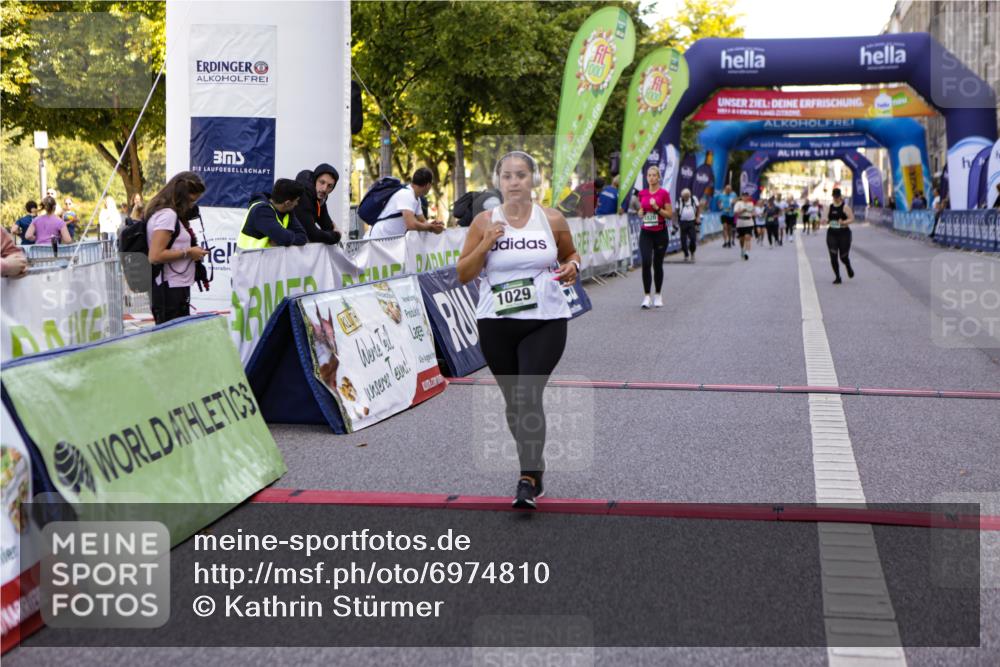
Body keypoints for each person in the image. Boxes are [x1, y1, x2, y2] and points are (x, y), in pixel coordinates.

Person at [455, 151, 581, 510]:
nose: (514, 182)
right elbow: (463, 273)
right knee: (515, 403)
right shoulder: (483, 221)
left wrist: (572, 266)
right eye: (507, 176)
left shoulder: (552, 219)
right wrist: (485, 243)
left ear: (533, 180)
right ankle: (535, 462)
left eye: (521, 175)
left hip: (545, 319)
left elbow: (571, 255)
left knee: (528, 394)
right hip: (496, 322)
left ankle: (527, 477)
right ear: (499, 181)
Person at [145, 172, 210, 323]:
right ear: (183, 197)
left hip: (174, 287)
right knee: (171, 341)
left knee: (173, 340)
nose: (192, 206)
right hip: (170, 289)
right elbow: (155, 255)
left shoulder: (165, 213)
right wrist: (189, 252)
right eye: (192, 201)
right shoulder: (168, 215)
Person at [367, 167, 443, 239]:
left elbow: (422, 221)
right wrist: (431, 227)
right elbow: (411, 224)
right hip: (381, 238)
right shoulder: (407, 195)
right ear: (428, 185)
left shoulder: (416, 198)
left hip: (389, 239)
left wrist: (433, 225)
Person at [636, 165, 673, 308]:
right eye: (649, 175)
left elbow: (669, 215)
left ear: (658, 177)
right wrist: (640, 213)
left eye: (654, 175)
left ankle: (658, 294)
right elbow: (642, 210)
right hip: (646, 232)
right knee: (646, 262)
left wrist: (657, 209)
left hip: (660, 233)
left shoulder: (664, 193)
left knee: (657, 264)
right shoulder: (643, 194)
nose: (651, 178)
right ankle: (646, 296)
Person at [237, 179, 309, 249]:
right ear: (287, 203)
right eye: (296, 201)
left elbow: (302, 237)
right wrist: (283, 239)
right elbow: (283, 238)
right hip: (247, 259)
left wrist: (282, 239)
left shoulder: (288, 211)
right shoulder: (261, 211)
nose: (297, 204)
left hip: (267, 259)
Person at [294, 163, 342, 244]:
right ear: (315, 180)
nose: (324, 189)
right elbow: (313, 234)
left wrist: (333, 232)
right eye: (322, 182)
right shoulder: (303, 197)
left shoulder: (319, 198)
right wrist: (336, 236)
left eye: (330, 186)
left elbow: (327, 226)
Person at [825, 188, 855, 285]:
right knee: (833, 256)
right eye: (834, 197)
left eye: (837, 197)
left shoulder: (845, 207)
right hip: (832, 233)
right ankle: (838, 277)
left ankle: (848, 266)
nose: (836, 199)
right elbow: (825, 218)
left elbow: (852, 219)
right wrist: (825, 221)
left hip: (844, 233)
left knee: (843, 257)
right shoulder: (829, 207)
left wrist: (844, 222)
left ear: (840, 196)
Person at [676, 188, 700, 262]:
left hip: (692, 222)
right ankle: (686, 254)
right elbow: (676, 211)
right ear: (682, 196)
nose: (686, 198)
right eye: (684, 197)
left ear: (689, 195)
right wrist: (676, 222)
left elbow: (698, 208)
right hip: (683, 222)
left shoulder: (694, 199)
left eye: (687, 196)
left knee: (693, 239)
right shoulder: (679, 201)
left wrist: (698, 217)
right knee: (683, 240)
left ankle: (692, 252)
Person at [733, 191, 755, 261]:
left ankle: (747, 253)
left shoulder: (751, 203)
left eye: (747, 196)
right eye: (744, 196)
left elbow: (753, 212)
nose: (745, 197)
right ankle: (742, 249)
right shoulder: (738, 203)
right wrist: (743, 210)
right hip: (740, 222)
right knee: (742, 239)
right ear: (742, 197)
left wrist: (754, 213)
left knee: (747, 237)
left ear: (748, 197)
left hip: (749, 222)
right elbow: (736, 212)